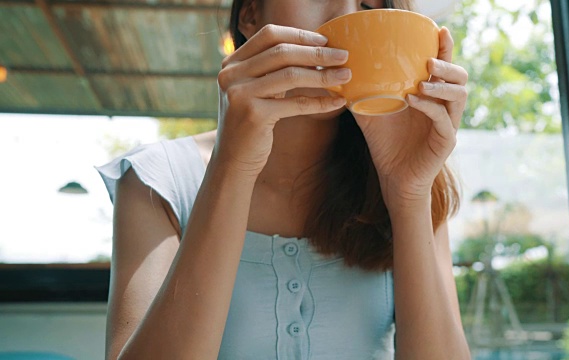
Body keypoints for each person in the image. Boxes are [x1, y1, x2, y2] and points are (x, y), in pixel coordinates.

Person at [96, 0, 470, 359]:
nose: (346, 15)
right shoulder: (155, 182)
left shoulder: (408, 178)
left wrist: (408, 196)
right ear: (250, 13)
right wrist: (233, 167)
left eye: (367, 5)